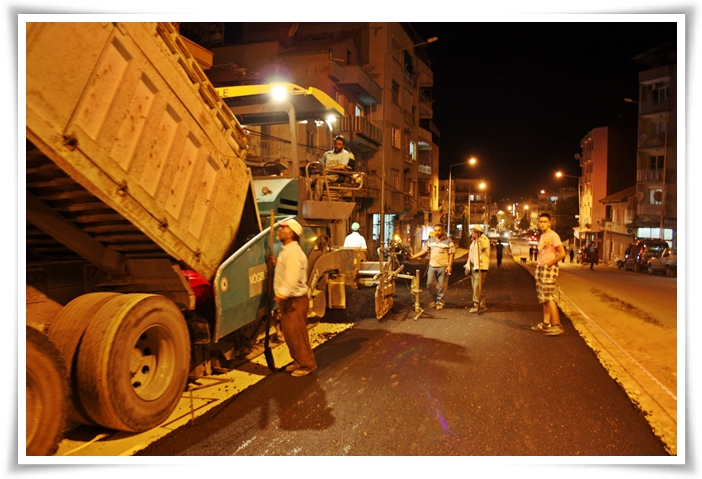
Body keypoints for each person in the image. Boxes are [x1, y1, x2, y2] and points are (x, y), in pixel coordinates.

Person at [269, 219, 317, 377]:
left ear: (290, 233)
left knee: (297, 334)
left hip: (294, 300)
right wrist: (276, 263)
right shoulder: (287, 250)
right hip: (291, 300)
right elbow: (286, 270)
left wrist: (281, 294)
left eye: (282, 228)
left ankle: (307, 364)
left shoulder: (293, 253)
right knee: (290, 334)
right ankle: (298, 360)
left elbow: (292, 277)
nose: (278, 230)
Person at [531, 213, 566, 336]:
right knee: (543, 297)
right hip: (541, 267)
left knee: (548, 296)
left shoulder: (553, 236)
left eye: (545, 221)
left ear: (550, 223)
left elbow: (562, 253)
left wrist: (549, 264)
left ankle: (557, 325)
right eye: (540, 221)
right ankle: (546, 324)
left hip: (548, 268)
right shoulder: (543, 236)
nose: (542, 224)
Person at [409, 224, 455, 310]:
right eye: (436, 230)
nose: (437, 232)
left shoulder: (449, 241)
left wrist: (450, 266)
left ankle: (440, 301)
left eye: (439, 230)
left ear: (443, 231)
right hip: (432, 266)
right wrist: (414, 256)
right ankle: (434, 298)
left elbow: (452, 254)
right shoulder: (430, 241)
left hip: (443, 266)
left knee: (442, 285)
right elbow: (424, 250)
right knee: (429, 284)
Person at [465, 225, 490, 313]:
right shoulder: (473, 242)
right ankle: (483, 305)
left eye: (473, 232)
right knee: (476, 288)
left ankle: (476, 305)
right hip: (473, 267)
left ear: (477, 233)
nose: (471, 234)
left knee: (477, 287)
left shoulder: (484, 240)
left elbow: (482, 247)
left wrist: (479, 238)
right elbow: (470, 254)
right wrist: (468, 265)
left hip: (481, 268)